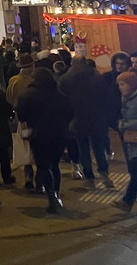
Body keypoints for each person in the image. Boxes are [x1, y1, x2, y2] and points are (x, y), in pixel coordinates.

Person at [16, 67, 73, 213]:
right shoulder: (60, 95)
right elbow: (70, 114)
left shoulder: (28, 95)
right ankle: (57, 193)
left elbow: (21, 115)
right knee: (55, 164)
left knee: (43, 165)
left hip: (39, 134)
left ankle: (51, 195)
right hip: (59, 133)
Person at [59, 57, 114, 189]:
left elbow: (62, 99)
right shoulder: (96, 76)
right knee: (98, 146)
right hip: (96, 117)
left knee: (83, 148)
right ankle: (104, 173)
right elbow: (105, 96)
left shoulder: (65, 79)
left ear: (72, 63)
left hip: (77, 118)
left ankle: (89, 177)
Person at [6, 52, 37, 189]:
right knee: (38, 147)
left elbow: (8, 98)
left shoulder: (14, 80)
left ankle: (28, 174)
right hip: (38, 118)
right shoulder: (35, 79)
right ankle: (40, 179)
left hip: (21, 118)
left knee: (25, 146)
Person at [114, 70, 137, 213]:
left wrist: (122, 125)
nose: (120, 87)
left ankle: (127, 201)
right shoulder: (127, 98)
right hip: (132, 141)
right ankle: (127, 201)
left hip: (134, 139)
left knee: (135, 172)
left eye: (122, 84)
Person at [104, 52, 132, 141]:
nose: (119, 66)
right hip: (114, 111)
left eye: (123, 64)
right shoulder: (107, 77)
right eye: (117, 63)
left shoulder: (131, 77)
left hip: (129, 111)